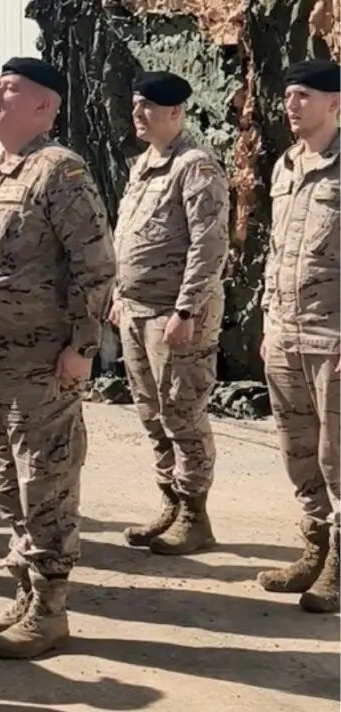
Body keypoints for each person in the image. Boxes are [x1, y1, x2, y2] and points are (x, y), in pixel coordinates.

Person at [0, 57, 115, 659]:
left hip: (42, 366)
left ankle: (50, 610)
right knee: (8, 486)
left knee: (45, 486)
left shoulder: (59, 171)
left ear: (44, 106)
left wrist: (82, 348)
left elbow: (96, 266)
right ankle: (23, 593)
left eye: (12, 88)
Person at [108, 71, 230, 555]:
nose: (138, 115)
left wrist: (187, 308)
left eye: (148, 108)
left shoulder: (195, 166)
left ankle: (195, 516)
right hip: (137, 310)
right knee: (151, 414)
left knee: (182, 413)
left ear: (175, 113)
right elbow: (131, 233)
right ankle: (171, 502)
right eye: (136, 105)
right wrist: (119, 292)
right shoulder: (144, 165)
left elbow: (209, 244)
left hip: (176, 314)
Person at [256, 58, 340, 615]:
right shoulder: (286, 166)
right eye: (288, 94)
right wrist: (267, 320)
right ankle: (315, 546)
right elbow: (278, 249)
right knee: (298, 451)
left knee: (339, 457)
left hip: (334, 338)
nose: (291, 104)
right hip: (286, 334)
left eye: (304, 95)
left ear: (336, 103)